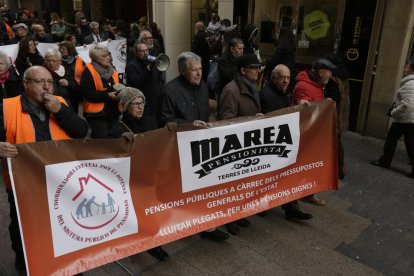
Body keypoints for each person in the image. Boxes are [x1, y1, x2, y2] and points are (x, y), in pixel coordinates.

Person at [0, 66, 89, 272]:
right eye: (40, 82)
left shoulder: (61, 103)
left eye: (50, 82)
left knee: (65, 224)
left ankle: (69, 264)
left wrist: (61, 111)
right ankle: (26, 265)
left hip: (61, 181)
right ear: (25, 84)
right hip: (23, 184)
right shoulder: (6, 108)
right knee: (23, 229)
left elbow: (81, 131)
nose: (47, 87)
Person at [157, 51, 229, 242]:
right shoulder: (169, 91)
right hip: (180, 150)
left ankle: (206, 226)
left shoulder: (202, 85)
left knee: (202, 189)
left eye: (200, 69)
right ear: (182, 70)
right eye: (194, 70)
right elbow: (165, 121)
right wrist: (188, 124)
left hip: (202, 147)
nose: (199, 74)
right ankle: (182, 222)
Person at [260, 64, 313, 221]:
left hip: (283, 141)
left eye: (288, 77)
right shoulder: (266, 95)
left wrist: (298, 107)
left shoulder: (284, 93)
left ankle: (291, 208)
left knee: (288, 175)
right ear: (274, 77)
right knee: (268, 177)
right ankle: (262, 205)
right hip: (270, 144)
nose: (286, 81)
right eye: (282, 77)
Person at [217, 54, 262, 235]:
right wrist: (252, 120)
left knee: (243, 183)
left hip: (247, 142)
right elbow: (226, 122)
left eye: (259, 68)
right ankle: (229, 219)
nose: (258, 71)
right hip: (235, 145)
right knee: (232, 186)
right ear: (243, 71)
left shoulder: (251, 86)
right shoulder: (231, 90)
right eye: (254, 68)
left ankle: (239, 214)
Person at [292, 58, 337, 206]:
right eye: (329, 73)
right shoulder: (304, 86)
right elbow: (302, 110)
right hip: (305, 137)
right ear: (321, 72)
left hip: (313, 135)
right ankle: (295, 199)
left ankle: (307, 193)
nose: (330, 76)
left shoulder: (316, 84)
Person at [371, 59, 414, 178]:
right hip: (411, 119)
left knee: (391, 140)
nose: (405, 68)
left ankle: (384, 162)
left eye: (407, 66)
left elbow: (408, 104)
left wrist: (394, 112)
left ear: (411, 69)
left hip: (404, 119)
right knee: (410, 144)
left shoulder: (410, 84)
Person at [80, 44, 120, 138]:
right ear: (97, 59)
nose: (109, 58)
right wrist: (107, 95)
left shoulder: (112, 69)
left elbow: (119, 84)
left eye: (108, 55)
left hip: (114, 113)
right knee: (104, 141)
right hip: (97, 115)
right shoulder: (88, 71)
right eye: (104, 56)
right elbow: (88, 94)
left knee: (115, 139)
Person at [324, 54, 350, 179]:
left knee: (334, 143)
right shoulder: (344, 77)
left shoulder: (333, 80)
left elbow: (333, 100)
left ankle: (338, 168)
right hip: (342, 115)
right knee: (337, 142)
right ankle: (340, 168)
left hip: (335, 116)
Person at [125, 42, 163, 116]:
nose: (145, 53)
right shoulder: (131, 66)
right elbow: (137, 83)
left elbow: (159, 79)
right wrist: (147, 69)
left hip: (156, 99)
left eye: (147, 50)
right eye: (142, 51)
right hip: (143, 102)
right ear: (136, 53)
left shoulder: (152, 63)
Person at [43, 48, 81, 113]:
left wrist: (69, 83)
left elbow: (78, 88)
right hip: (52, 109)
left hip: (71, 106)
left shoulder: (67, 70)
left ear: (59, 61)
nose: (51, 63)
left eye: (54, 61)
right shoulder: (41, 73)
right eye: (48, 61)